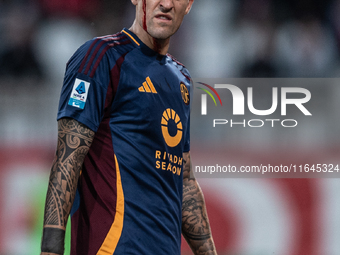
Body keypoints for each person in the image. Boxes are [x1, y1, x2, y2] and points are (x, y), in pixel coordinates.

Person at [40, 0, 217, 254]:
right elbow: (68, 158)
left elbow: (185, 181)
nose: (166, 4)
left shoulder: (182, 80)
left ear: (188, 5)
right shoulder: (101, 56)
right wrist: (50, 249)